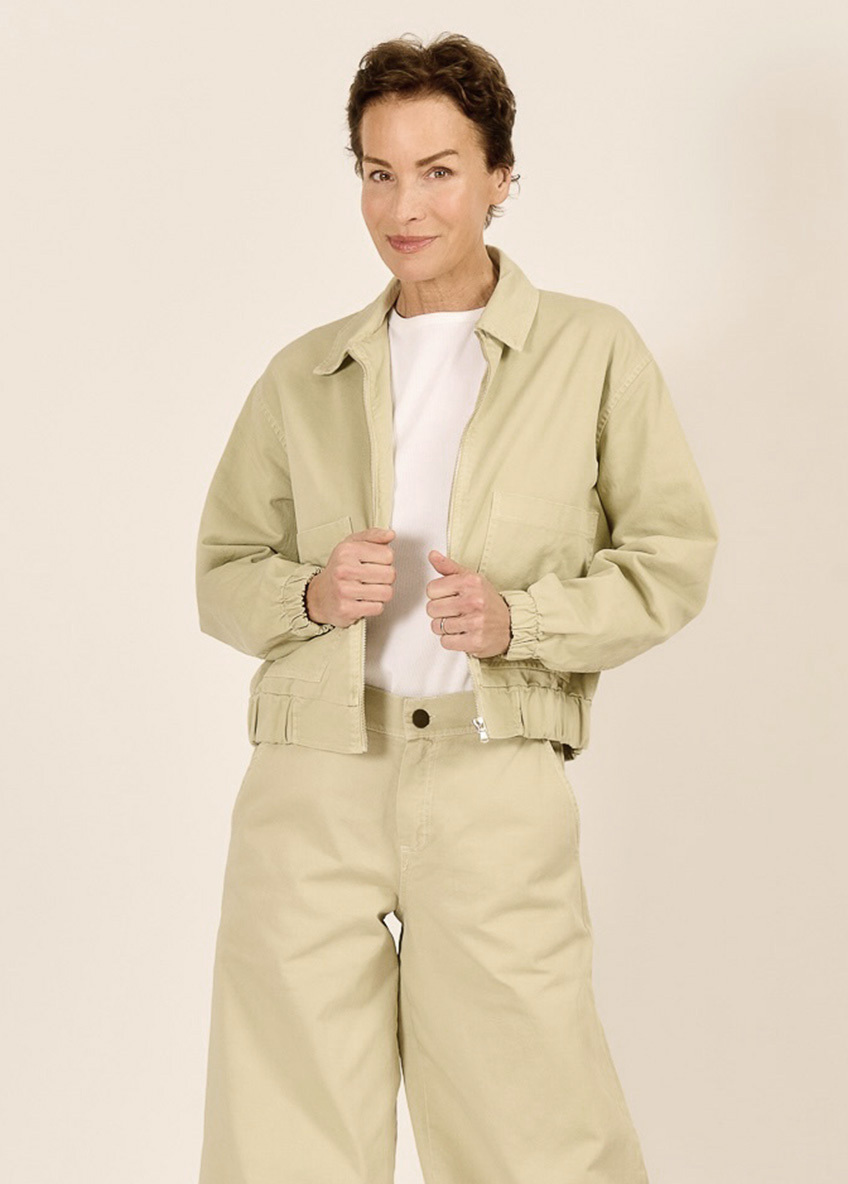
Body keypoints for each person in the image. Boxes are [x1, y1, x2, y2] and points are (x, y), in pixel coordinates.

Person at [194, 31, 718, 1184]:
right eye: (377, 172)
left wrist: (520, 621)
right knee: (282, 1132)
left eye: (437, 170)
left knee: (534, 1126)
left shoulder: (589, 350)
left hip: (492, 779)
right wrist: (311, 591)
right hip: (312, 778)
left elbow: (670, 558)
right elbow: (222, 568)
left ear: (498, 176)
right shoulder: (303, 373)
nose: (404, 206)